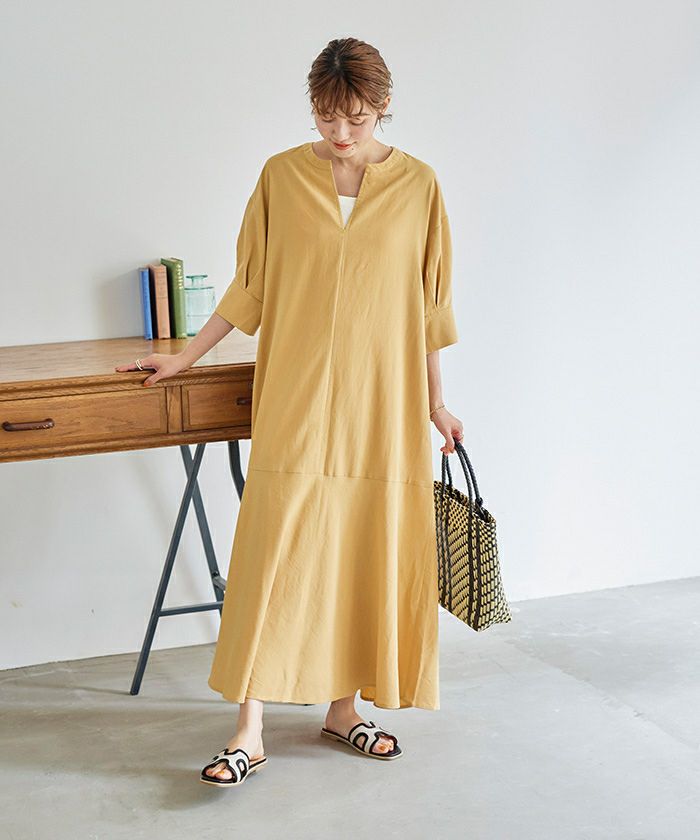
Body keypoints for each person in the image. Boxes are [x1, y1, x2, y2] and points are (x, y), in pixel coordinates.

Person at [116, 36, 463, 786]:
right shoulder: (280, 176)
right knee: (274, 551)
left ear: (383, 108)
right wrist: (184, 358)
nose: (340, 133)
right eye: (327, 117)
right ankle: (249, 730)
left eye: (357, 119)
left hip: (383, 403)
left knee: (362, 544)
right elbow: (250, 288)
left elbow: (430, 308)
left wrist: (437, 403)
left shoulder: (420, 186)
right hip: (297, 398)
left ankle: (343, 710)